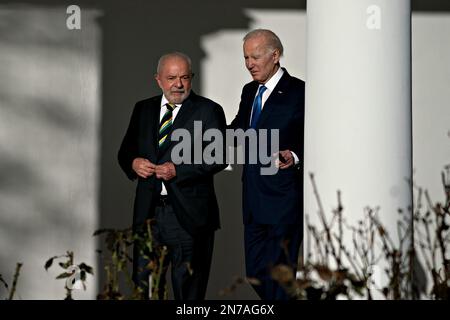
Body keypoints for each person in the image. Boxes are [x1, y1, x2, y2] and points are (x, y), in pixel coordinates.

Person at [118, 52, 227, 300]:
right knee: (144, 288)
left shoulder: (209, 110)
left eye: (184, 78)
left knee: (188, 292)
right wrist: (133, 162)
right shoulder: (143, 109)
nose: (178, 84)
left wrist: (179, 170)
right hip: (148, 214)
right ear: (158, 80)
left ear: (192, 78)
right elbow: (125, 152)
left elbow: (218, 157)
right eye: (171, 78)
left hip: (188, 217)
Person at [229, 29, 305, 300]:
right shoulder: (249, 91)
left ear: (275, 55)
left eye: (255, 57)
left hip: (283, 200)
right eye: (246, 57)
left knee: (280, 279)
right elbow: (239, 129)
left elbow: (318, 138)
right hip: (252, 200)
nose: (250, 64)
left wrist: (295, 156)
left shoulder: (300, 92)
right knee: (257, 274)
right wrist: (205, 131)